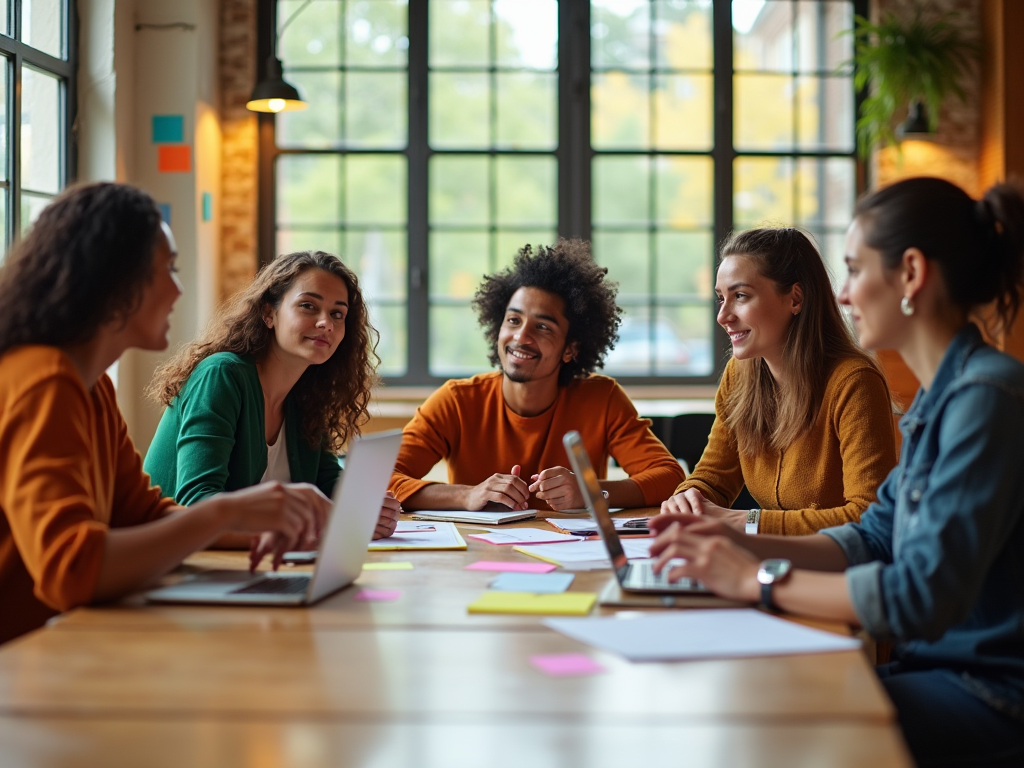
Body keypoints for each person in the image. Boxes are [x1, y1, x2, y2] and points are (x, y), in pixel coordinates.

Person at [650, 178, 1024, 768]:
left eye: (853, 270)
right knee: (748, 691)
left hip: (990, 691)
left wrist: (759, 578)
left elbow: (918, 593)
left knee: (770, 717)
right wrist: (731, 540)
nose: (844, 294)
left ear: (911, 274)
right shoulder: (942, 396)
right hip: (935, 667)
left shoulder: (986, 399)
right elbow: (875, 534)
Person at [0, 183, 325, 645]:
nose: (178, 289)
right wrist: (225, 512)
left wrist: (273, 526)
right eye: (167, 269)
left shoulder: (93, 389)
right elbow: (69, 568)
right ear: (114, 278)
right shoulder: (43, 378)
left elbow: (147, 518)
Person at [390, 239, 686, 511]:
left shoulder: (601, 399)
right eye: (513, 320)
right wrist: (466, 495)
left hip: (576, 559)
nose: (521, 336)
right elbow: (382, 478)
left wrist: (591, 492)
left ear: (570, 349)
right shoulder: (456, 401)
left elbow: (669, 477)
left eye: (543, 327)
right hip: (478, 560)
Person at [144, 250, 400, 542]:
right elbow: (197, 502)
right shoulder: (222, 376)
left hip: (242, 566)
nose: (325, 323)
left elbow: (327, 480)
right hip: (172, 566)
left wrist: (367, 504)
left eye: (337, 314)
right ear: (269, 313)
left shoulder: (307, 395)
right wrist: (317, 523)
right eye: (308, 306)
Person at [661, 228, 897, 535]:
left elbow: (868, 516)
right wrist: (687, 499)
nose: (722, 315)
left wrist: (746, 522)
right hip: (773, 558)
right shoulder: (739, 375)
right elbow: (713, 477)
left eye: (741, 296)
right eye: (721, 298)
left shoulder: (854, 383)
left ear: (795, 298)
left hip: (837, 571)